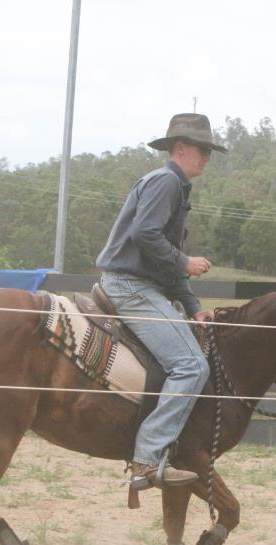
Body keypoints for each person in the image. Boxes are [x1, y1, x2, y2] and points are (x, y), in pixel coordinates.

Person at [96, 113, 228, 489]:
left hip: (139, 285)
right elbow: (145, 234)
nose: (207, 158)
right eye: (203, 150)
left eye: (209, 151)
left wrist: (193, 307)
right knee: (191, 366)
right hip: (131, 287)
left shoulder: (173, 187)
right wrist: (185, 262)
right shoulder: (167, 182)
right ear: (181, 148)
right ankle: (148, 459)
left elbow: (163, 257)